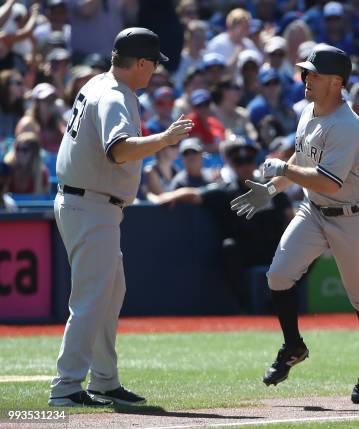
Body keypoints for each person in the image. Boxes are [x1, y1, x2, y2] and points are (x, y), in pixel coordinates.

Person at [230, 44, 359, 404]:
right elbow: (301, 161)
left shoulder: (347, 125)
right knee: (278, 276)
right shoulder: (308, 111)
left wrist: (284, 171)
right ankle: (293, 345)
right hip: (315, 210)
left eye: (314, 74)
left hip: (354, 216)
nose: (305, 78)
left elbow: (329, 180)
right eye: (305, 72)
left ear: (336, 82)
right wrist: (271, 189)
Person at [50, 27, 194, 407]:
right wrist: (164, 138)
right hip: (91, 204)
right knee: (92, 298)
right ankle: (66, 386)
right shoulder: (115, 95)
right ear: (142, 62)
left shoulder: (100, 81)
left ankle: (104, 379)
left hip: (88, 202)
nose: (155, 72)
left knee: (110, 294)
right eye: (153, 64)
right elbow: (118, 150)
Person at [149, 135, 293, 312]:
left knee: (305, 247)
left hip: (274, 249)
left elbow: (289, 215)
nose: (245, 165)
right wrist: (168, 196)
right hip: (246, 251)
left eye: (248, 160)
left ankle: (278, 300)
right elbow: (194, 194)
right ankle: (245, 305)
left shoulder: (269, 187)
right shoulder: (225, 190)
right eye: (239, 161)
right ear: (232, 164)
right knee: (229, 248)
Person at [15, 82, 66, 153]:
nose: (50, 103)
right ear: (37, 103)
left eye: (53, 100)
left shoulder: (58, 122)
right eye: (46, 100)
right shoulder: (27, 124)